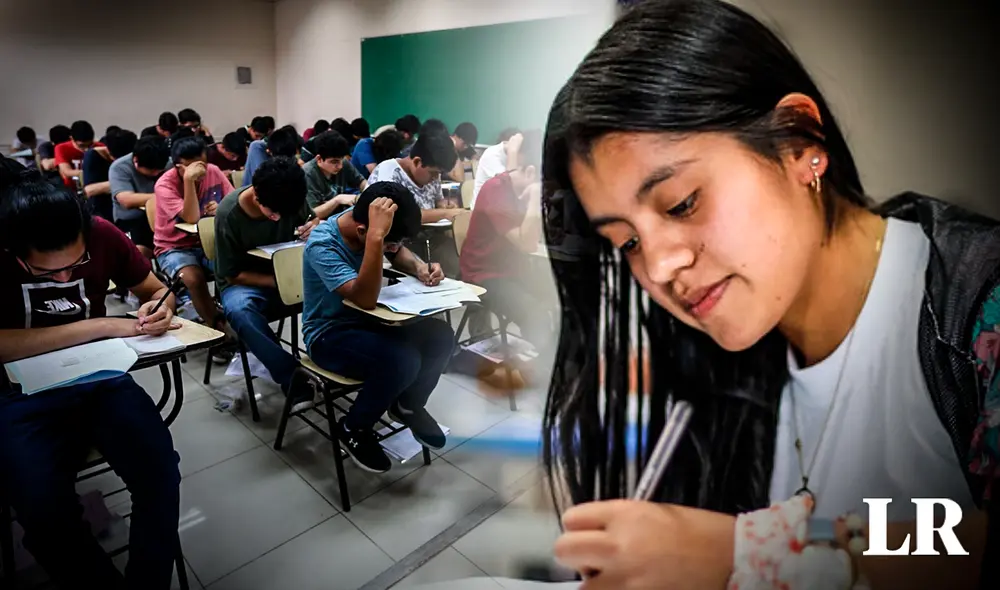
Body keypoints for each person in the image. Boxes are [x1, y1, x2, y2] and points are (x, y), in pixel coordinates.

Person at [540, 1, 1000, 589]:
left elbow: (962, 536)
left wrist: (753, 551)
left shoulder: (974, 307)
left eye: (682, 203)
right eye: (626, 241)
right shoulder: (729, 369)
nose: (659, 267)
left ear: (797, 141)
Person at [0, 163, 181, 589]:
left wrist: (160, 308)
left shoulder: (101, 233)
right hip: (16, 394)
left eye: (76, 264)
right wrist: (102, 325)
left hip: (100, 378)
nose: (65, 277)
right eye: (47, 273)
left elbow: (156, 289)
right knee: (43, 511)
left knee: (160, 474)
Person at [302, 182, 454, 473]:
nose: (393, 249)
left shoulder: (372, 225)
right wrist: (375, 238)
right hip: (328, 334)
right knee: (402, 360)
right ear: (364, 231)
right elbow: (364, 299)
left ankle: (408, 404)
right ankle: (353, 427)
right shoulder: (323, 244)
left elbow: (397, 253)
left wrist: (420, 267)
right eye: (388, 242)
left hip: (371, 323)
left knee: (441, 336)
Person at [215, 156, 320, 412]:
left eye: (283, 214)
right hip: (247, 282)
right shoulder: (229, 214)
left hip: (289, 275)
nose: (277, 218)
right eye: (272, 213)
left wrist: (314, 226)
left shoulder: (289, 197)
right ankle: (293, 378)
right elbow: (232, 275)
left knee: (337, 289)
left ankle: (338, 360)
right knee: (240, 310)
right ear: (255, 194)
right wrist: (279, 282)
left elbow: (312, 219)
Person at [458, 132, 551, 359]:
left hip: (513, 268)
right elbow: (527, 243)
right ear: (531, 172)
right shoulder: (496, 190)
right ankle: (550, 367)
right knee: (534, 312)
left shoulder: (520, 187)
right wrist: (535, 199)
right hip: (483, 273)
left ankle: (553, 356)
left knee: (560, 300)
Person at [154, 136, 234, 333]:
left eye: (202, 165)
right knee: (193, 278)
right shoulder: (164, 185)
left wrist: (221, 208)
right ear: (179, 167)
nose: (201, 172)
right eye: (194, 168)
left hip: (207, 241)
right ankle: (218, 328)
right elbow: (191, 217)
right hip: (173, 247)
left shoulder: (213, 171)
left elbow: (234, 202)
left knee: (232, 267)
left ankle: (233, 314)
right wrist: (189, 180)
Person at [367, 122, 460, 223]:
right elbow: (400, 216)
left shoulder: (433, 175)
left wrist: (444, 205)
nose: (436, 177)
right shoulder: (388, 173)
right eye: (433, 173)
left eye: (439, 173)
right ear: (417, 161)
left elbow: (438, 201)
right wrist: (444, 213)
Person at [110, 135, 170, 259]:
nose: (156, 174)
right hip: (132, 220)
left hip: (164, 217)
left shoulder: (167, 162)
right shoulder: (120, 167)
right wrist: (164, 196)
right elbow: (126, 200)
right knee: (137, 254)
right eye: (151, 170)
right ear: (136, 160)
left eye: (159, 170)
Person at [303, 130, 368, 214]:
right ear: (319, 159)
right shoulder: (307, 174)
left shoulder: (343, 162)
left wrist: (369, 192)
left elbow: (361, 182)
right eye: (334, 162)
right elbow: (313, 214)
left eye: (342, 159)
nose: (340, 166)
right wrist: (338, 200)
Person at [83, 129, 135, 222]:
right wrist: (122, 182)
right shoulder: (93, 156)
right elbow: (90, 190)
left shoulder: (132, 155)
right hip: (102, 208)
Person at [472, 130, 524, 208]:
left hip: (500, 206)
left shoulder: (517, 155)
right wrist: (512, 152)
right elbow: (509, 185)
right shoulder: (491, 154)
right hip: (483, 209)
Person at [54, 120, 105, 190]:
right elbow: (66, 172)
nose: (86, 149)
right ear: (71, 139)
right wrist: (92, 173)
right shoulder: (61, 148)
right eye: (82, 146)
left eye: (90, 145)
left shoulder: (100, 147)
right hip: (72, 189)